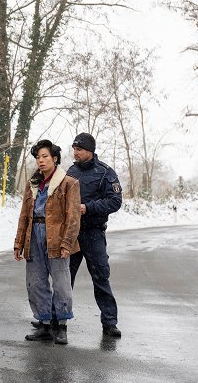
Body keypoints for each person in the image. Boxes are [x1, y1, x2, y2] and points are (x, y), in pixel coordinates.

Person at [14, 139, 81, 345]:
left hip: (58, 237)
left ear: (55, 158)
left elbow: (73, 218)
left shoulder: (69, 183)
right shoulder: (33, 184)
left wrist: (67, 243)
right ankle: (43, 325)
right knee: (36, 283)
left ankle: (61, 326)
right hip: (34, 236)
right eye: (38, 157)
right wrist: (19, 243)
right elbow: (25, 215)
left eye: (45, 157)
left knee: (61, 284)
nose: (41, 161)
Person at [66, 132, 123, 338]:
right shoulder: (71, 171)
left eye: (79, 149)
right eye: (74, 149)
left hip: (93, 233)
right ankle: (56, 319)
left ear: (90, 151)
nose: (75, 153)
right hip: (72, 233)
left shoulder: (105, 173)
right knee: (64, 278)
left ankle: (109, 323)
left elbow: (115, 201)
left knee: (100, 277)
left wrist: (87, 208)